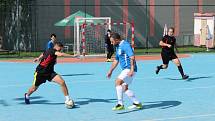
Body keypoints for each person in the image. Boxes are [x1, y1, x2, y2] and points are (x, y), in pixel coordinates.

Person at [24, 42, 79, 106]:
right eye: (60, 49)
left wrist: (38, 58)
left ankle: (67, 99)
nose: (60, 50)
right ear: (57, 46)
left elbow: (43, 54)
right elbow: (60, 54)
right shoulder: (53, 51)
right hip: (40, 72)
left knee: (62, 82)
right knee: (34, 88)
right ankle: (27, 95)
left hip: (50, 72)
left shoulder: (49, 50)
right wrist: (73, 56)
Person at [107, 33, 142, 111]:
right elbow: (116, 60)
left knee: (117, 82)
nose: (111, 43)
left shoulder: (125, 45)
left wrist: (132, 69)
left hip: (129, 68)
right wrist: (110, 71)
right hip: (127, 69)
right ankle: (137, 103)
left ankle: (120, 104)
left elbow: (132, 57)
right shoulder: (117, 46)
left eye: (112, 41)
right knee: (124, 88)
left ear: (116, 40)